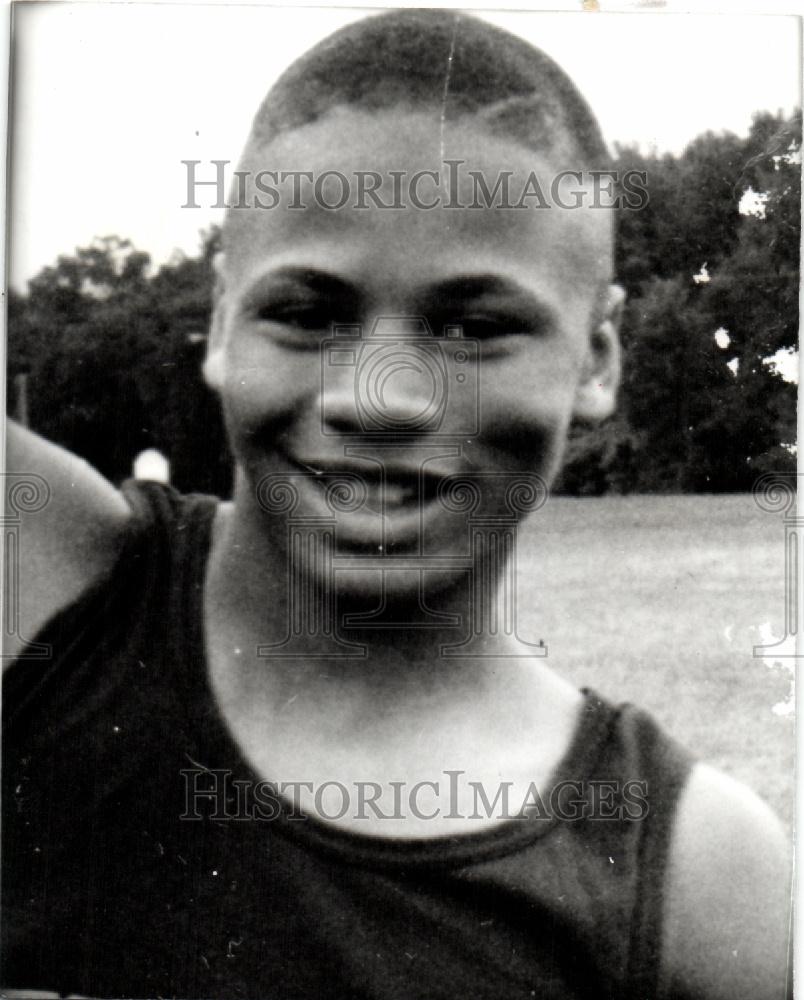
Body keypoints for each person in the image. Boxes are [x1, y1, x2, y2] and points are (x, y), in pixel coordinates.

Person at [2, 9, 791, 999]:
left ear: (597, 356)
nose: (380, 397)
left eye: (472, 327)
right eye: (307, 314)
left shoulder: (695, 881)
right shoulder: (43, 580)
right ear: (219, 321)